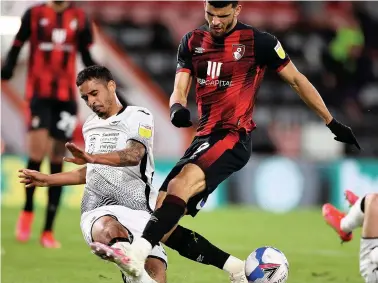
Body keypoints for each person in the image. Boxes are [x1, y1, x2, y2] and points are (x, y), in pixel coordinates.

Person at [107, 0, 361, 280]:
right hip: (203, 137)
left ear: (238, 10)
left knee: (179, 186)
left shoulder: (259, 42)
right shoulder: (192, 42)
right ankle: (238, 269)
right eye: (210, 14)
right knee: (163, 220)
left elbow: (297, 81)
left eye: (222, 16)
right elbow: (180, 87)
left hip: (233, 136)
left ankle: (136, 255)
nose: (215, 22)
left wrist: (331, 121)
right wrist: (176, 108)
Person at [18, 65, 166, 283]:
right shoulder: (90, 126)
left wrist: (94, 158)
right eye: (85, 98)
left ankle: (132, 267)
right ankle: (126, 257)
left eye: (94, 94)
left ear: (112, 86)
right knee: (108, 227)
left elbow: (133, 155)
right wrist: (48, 180)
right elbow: (90, 172)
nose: (91, 102)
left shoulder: (139, 115)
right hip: (98, 207)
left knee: (155, 271)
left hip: (139, 208)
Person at [1, 1, 96, 248]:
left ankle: (48, 230)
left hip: (66, 99)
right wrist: (8, 66)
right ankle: (27, 211)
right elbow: (17, 43)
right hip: (38, 97)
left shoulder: (80, 18)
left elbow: (86, 55)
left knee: (56, 159)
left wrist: (100, 82)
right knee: (36, 152)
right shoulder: (34, 14)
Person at [323, 190, 378, 283]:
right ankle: (362, 211)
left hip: (373, 267)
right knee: (374, 201)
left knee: (372, 201)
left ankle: (359, 213)